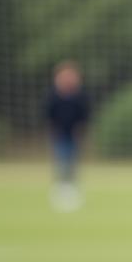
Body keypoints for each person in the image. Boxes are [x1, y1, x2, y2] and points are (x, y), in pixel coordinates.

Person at [44, 60, 89, 211]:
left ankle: (72, 190)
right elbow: (49, 116)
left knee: (72, 164)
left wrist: (81, 133)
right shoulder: (53, 96)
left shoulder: (79, 96)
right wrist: (53, 134)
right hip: (60, 135)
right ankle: (60, 190)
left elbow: (84, 117)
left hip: (74, 135)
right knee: (62, 162)